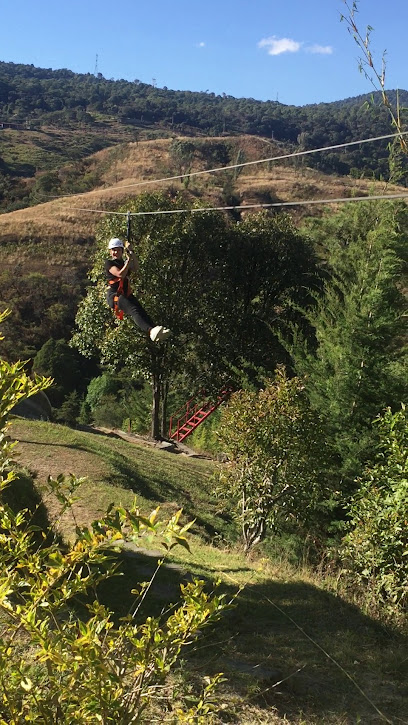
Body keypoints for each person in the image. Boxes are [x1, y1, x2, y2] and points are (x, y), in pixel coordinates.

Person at [105, 237, 171, 342]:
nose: (115, 252)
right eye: (113, 250)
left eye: (117, 249)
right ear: (110, 252)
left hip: (125, 294)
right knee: (133, 310)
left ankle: (154, 328)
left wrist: (131, 252)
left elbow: (135, 267)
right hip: (115, 296)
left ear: (122, 251)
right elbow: (120, 274)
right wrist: (128, 262)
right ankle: (150, 330)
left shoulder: (124, 262)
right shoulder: (109, 263)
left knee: (140, 310)